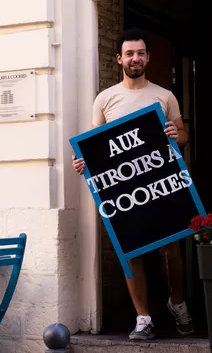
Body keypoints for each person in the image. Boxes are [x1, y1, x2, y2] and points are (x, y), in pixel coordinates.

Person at [72, 28, 195, 340]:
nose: (135, 58)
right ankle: (143, 318)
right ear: (119, 59)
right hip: (124, 190)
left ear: (148, 58)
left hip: (161, 184)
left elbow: (183, 136)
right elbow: (94, 146)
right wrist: (83, 162)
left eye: (140, 53)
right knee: (131, 251)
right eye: (129, 53)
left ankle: (177, 303)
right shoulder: (105, 99)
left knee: (172, 248)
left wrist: (174, 135)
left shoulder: (164, 96)